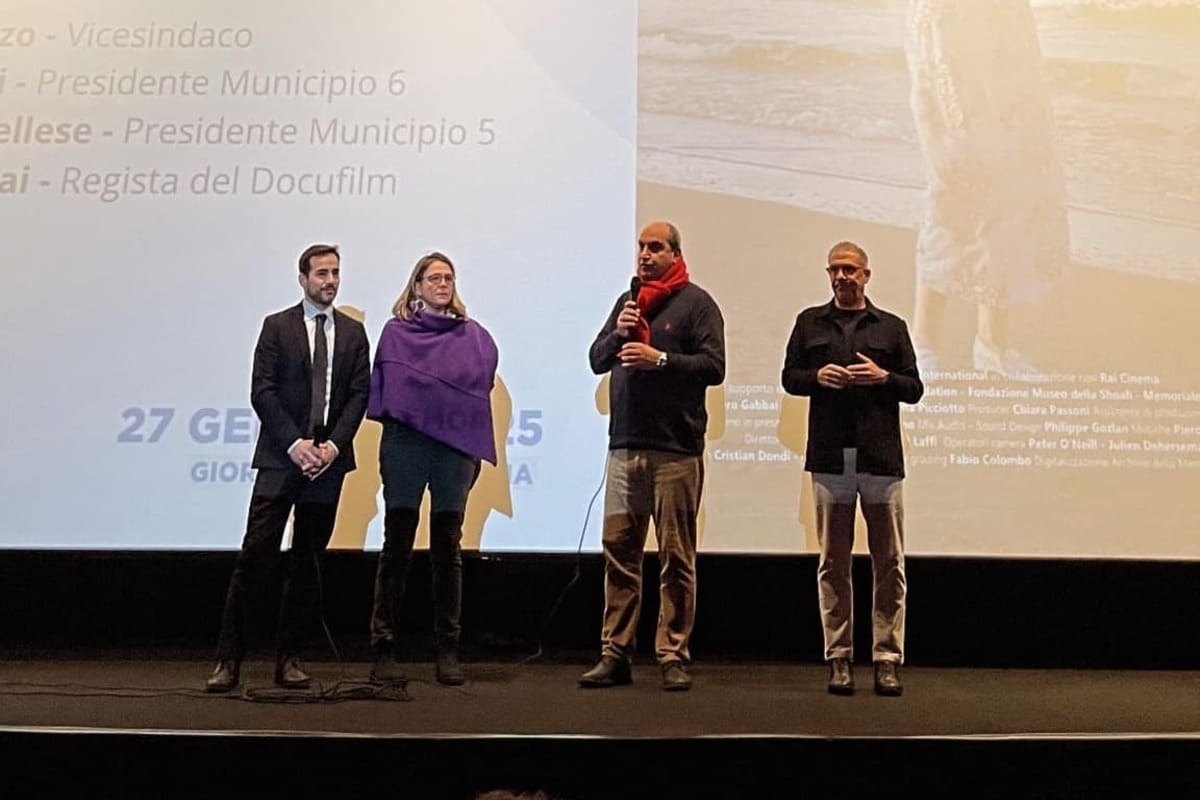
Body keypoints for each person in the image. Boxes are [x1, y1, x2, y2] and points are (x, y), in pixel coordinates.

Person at [206, 244, 371, 692]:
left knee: (307, 565)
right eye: (321, 273)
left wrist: (333, 447)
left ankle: (290, 659)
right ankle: (228, 660)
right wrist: (295, 445)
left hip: (328, 464)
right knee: (255, 558)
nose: (330, 281)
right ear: (303, 279)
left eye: (335, 272)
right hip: (282, 460)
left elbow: (360, 395)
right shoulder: (276, 326)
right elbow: (262, 391)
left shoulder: (354, 333)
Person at [581, 221, 725, 691]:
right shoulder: (628, 303)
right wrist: (618, 335)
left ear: (675, 254)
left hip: (675, 451)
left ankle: (672, 654)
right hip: (625, 448)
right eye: (641, 247)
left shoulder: (697, 304)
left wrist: (659, 359)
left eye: (655, 247)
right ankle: (615, 653)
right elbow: (596, 359)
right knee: (619, 553)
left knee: (675, 558)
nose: (644, 254)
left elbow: (714, 366)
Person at [780, 241, 923, 697]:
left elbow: (914, 388)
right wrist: (816, 377)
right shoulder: (809, 322)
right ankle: (838, 657)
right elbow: (789, 377)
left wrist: (885, 378)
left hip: (880, 459)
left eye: (850, 270)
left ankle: (887, 658)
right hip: (830, 458)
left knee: (889, 562)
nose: (842, 276)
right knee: (833, 563)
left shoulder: (891, 327)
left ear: (866, 275)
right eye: (835, 270)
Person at [904, 0, 1068, 378]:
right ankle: (924, 342)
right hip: (947, 35)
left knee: (1009, 197)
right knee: (952, 193)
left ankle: (992, 345)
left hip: (1007, 40)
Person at [365, 251, 498, 686]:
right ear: (417, 285)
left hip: (454, 448)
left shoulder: (474, 336)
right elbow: (389, 388)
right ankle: (384, 646)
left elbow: (482, 383)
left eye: (448, 278)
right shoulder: (396, 333)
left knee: (447, 547)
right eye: (434, 278)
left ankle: (448, 648)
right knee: (397, 544)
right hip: (406, 445)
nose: (443, 284)